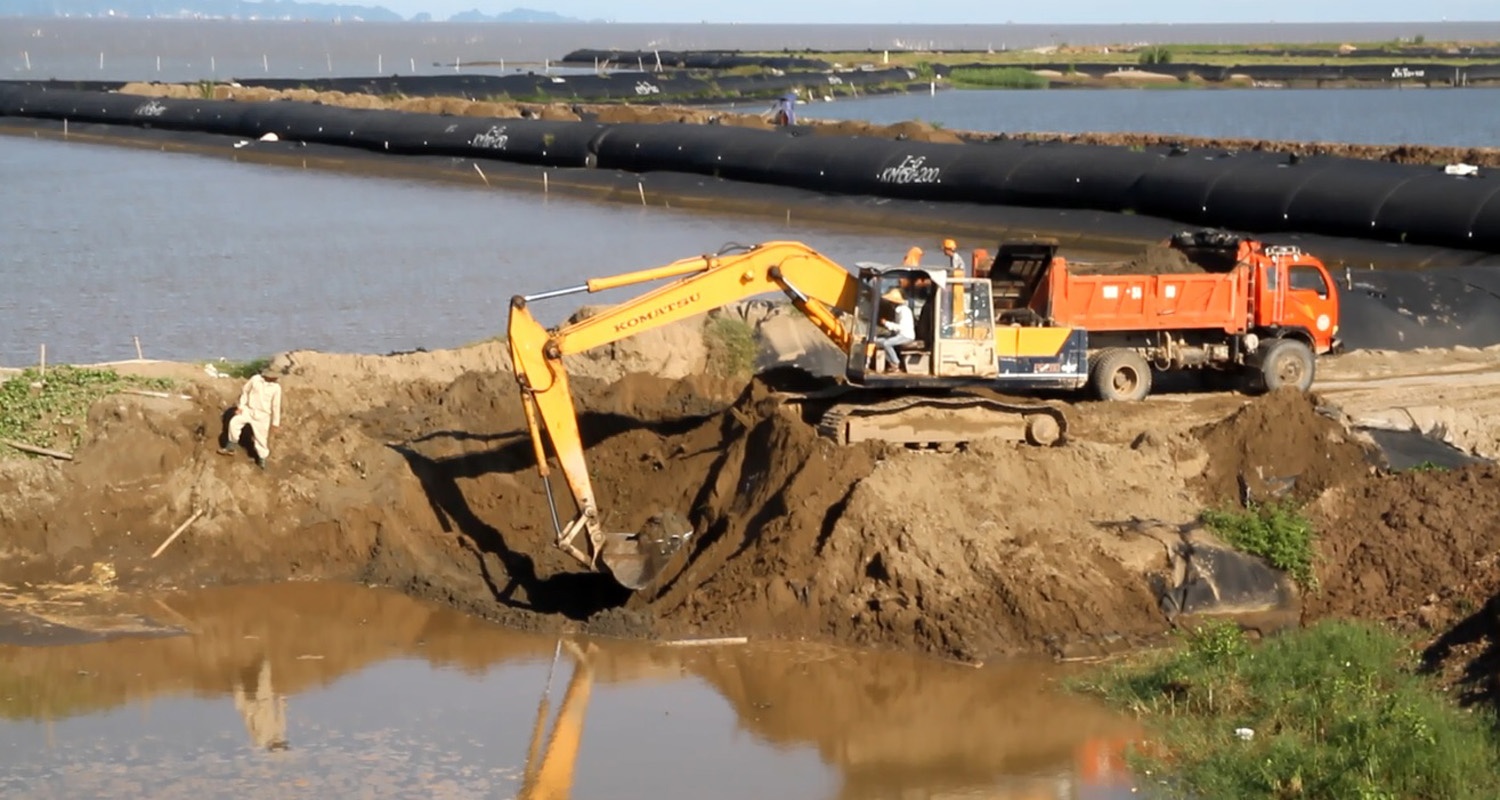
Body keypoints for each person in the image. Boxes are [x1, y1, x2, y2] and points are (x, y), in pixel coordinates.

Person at [220, 367, 282, 470]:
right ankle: (231, 446)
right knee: (234, 423)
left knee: (261, 438)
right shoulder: (255, 379)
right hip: (248, 410)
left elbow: (276, 405)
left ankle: (262, 459)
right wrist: (241, 407)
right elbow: (245, 392)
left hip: (263, 415)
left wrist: (275, 423)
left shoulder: (276, 388)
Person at [874, 288, 915, 373]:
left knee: (886, 343)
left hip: (906, 336)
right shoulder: (898, 311)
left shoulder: (903, 311)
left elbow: (901, 327)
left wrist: (886, 323)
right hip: (900, 334)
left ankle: (895, 363)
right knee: (878, 341)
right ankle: (890, 362)